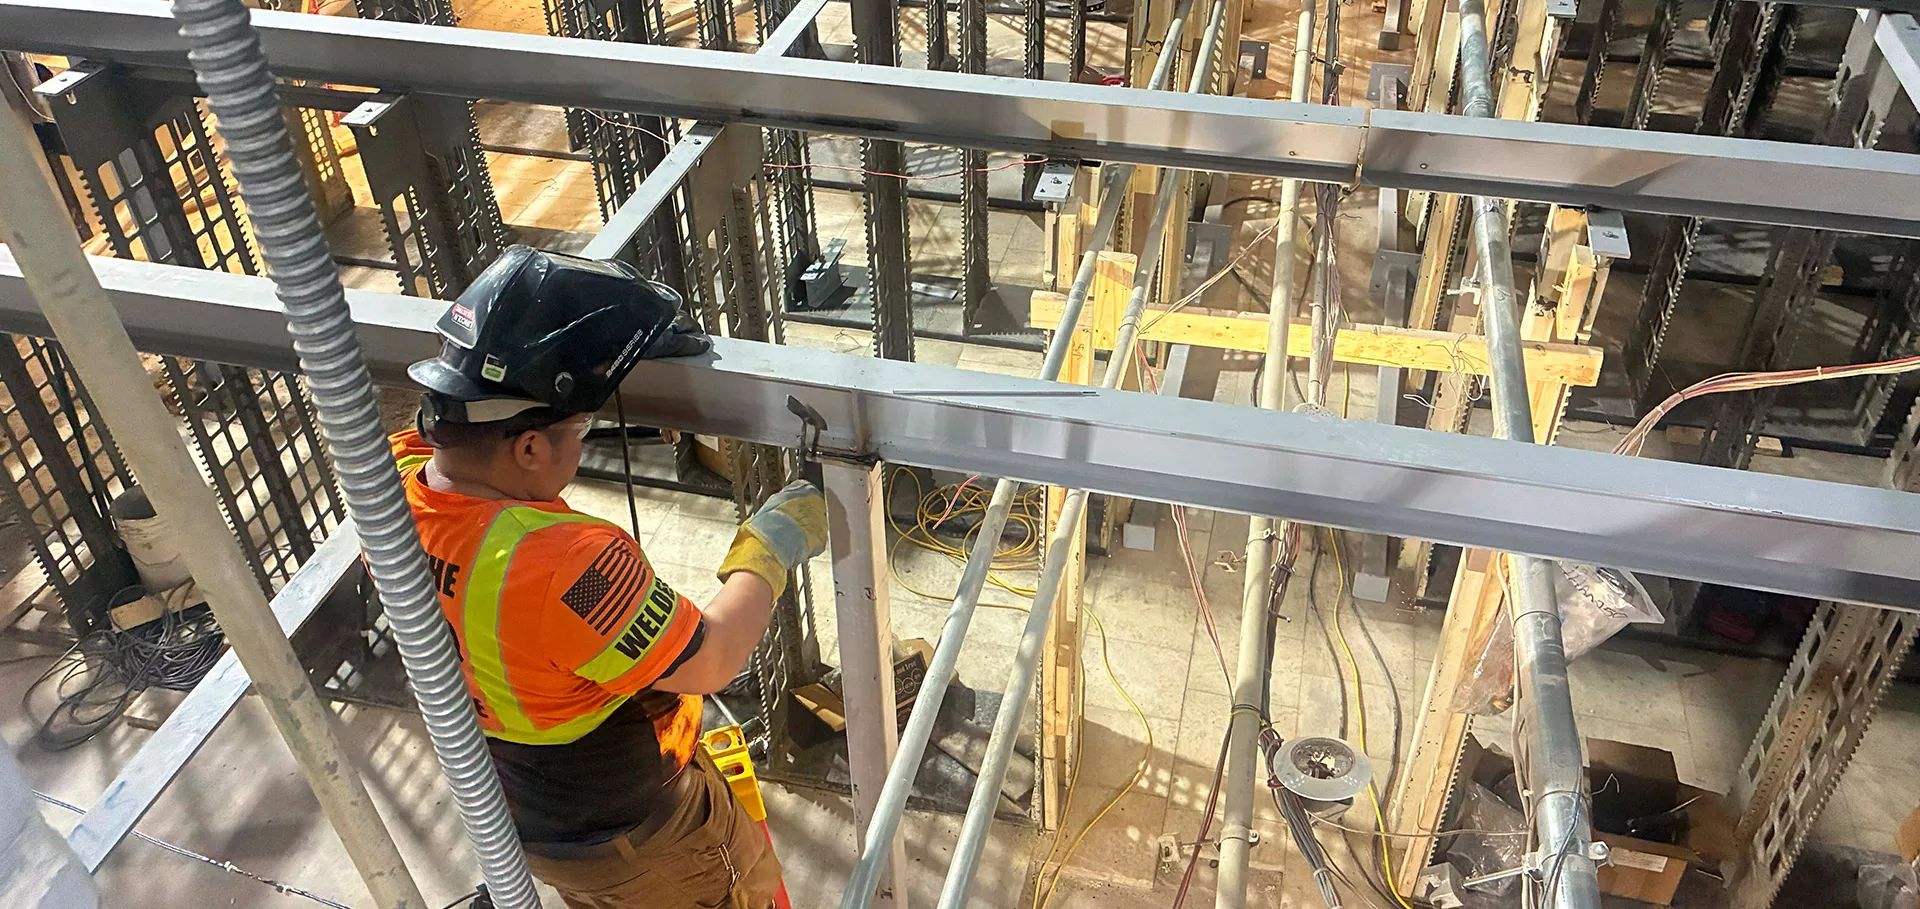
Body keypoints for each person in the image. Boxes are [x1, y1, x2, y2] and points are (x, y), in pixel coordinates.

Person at [393, 246, 826, 909]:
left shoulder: (396, 486)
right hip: (648, 843)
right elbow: (710, 658)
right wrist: (768, 548)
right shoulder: (565, 566)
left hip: (537, 823)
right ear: (530, 446)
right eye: (579, 433)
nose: (585, 443)